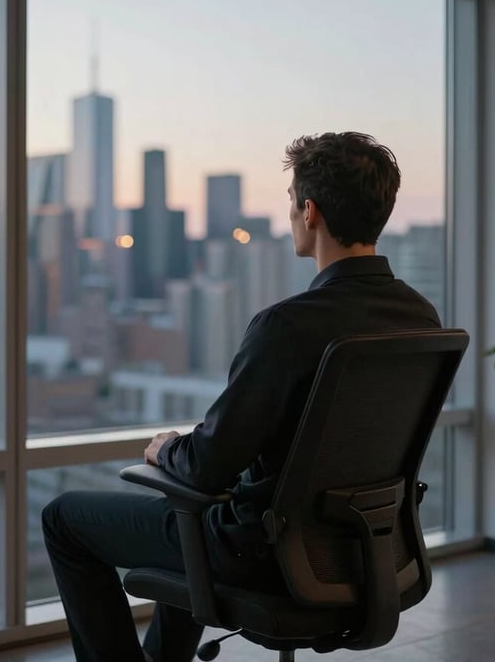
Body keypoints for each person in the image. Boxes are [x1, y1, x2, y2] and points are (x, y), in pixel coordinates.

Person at [42, 132, 441, 662]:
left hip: (264, 554)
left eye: (292, 205)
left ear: (310, 211)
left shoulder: (287, 325)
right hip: (369, 549)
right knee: (191, 519)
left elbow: (207, 466)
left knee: (64, 518)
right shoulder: (419, 318)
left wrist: (165, 449)